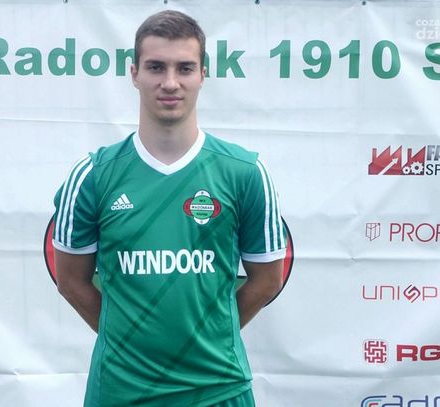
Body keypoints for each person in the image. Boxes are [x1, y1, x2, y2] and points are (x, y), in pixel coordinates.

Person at [52, 10, 287, 407]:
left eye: (185, 68)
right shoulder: (93, 175)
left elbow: (267, 281)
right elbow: (71, 282)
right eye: (156, 67)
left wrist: (208, 336)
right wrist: (129, 342)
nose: (171, 82)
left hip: (219, 390)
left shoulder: (244, 172)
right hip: (121, 391)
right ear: (134, 74)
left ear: (203, 75)